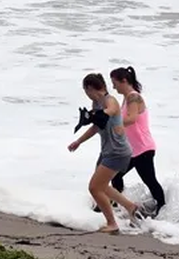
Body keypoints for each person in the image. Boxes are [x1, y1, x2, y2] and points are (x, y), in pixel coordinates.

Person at [68, 72, 144, 233]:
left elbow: (108, 112)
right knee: (102, 186)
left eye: (85, 91)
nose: (86, 95)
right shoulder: (97, 104)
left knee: (94, 188)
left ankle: (112, 223)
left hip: (118, 152)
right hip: (108, 151)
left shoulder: (110, 101)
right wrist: (78, 142)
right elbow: (96, 127)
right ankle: (130, 206)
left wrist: (95, 115)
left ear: (90, 88)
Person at [109, 66, 166, 217]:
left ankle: (163, 210)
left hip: (143, 149)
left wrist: (113, 122)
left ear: (124, 81)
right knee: (116, 175)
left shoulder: (134, 97)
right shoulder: (126, 98)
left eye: (115, 83)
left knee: (150, 181)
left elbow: (132, 119)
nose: (113, 87)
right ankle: (116, 205)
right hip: (132, 150)